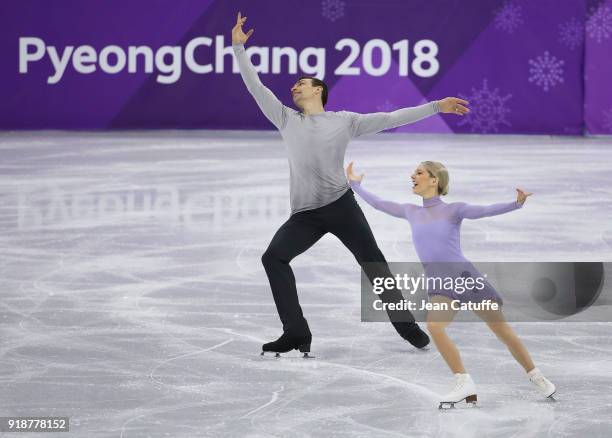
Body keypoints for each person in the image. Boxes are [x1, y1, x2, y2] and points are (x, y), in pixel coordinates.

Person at [231, 12, 470, 355]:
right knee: (274, 258)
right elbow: (256, 86)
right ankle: (296, 332)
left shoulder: (344, 122)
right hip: (305, 214)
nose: (294, 87)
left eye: (302, 83)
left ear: (319, 91)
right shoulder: (285, 118)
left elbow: (391, 119)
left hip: (341, 206)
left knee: (374, 262)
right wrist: (239, 48)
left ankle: (406, 326)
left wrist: (436, 106)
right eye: (293, 85)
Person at [346, 161, 557, 407]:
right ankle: (463, 382)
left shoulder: (454, 210)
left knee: (502, 331)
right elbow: (379, 204)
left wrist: (516, 203)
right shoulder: (411, 211)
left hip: (463, 276)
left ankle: (536, 376)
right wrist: (355, 186)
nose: (413, 175)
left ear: (434, 180)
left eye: (419, 172)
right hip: (438, 279)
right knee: (435, 326)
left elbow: (485, 210)